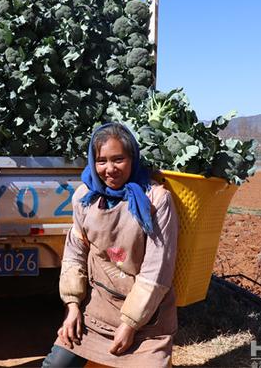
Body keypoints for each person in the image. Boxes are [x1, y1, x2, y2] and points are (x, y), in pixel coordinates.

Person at [42, 122, 179, 368]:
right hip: (96, 311)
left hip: (147, 318)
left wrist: (130, 324)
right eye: (101, 160)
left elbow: (157, 270)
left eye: (118, 159)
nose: (110, 169)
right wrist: (72, 306)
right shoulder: (85, 197)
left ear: (133, 158)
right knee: (55, 366)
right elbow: (74, 254)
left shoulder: (156, 199)